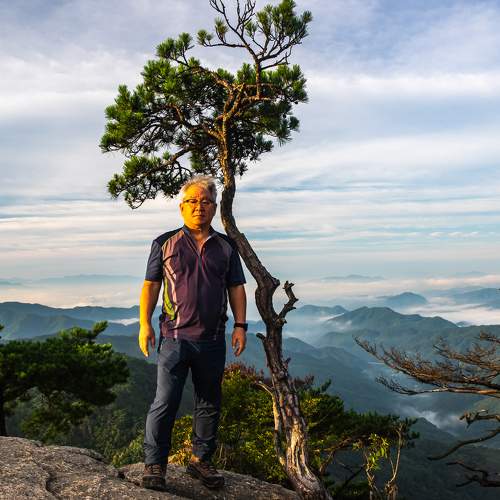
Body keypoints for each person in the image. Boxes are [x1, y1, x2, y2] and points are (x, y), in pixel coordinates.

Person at [140, 175, 247, 491]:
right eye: (192, 201)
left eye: (205, 201)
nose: (199, 206)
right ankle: (155, 465)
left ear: (214, 207)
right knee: (165, 401)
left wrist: (240, 326)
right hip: (174, 338)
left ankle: (200, 460)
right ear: (181, 207)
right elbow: (151, 286)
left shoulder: (226, 246)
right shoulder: (164, 243)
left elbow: (236, 287)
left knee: (209, 401)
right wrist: (145, 324)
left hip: (212, 338)